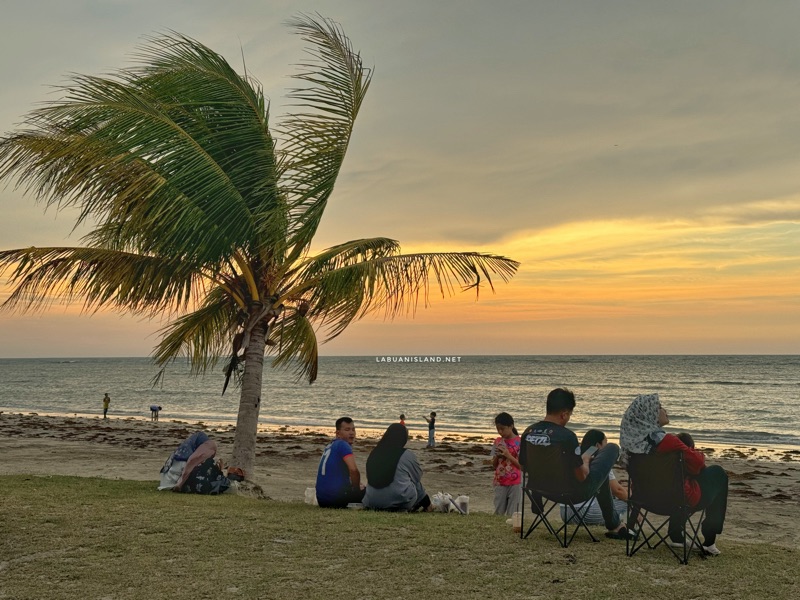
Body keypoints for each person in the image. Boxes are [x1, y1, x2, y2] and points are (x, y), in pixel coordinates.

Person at [620, 393, 728, 556]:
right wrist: (694, 453)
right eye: (660, 407)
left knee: (682, 476)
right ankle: (709, 541)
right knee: (718, 474)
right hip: (679, 500)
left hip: (646, 500)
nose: (664, 410)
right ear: (650, 414)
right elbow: (699, 464)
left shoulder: (631, 448)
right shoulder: (668, 441)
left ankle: (677, 534)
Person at [520, 388, 632, 539]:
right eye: (570, 415)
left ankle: (614, 525)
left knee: (602, 475)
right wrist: (585, 461)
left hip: (540, 489)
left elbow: (523, 466)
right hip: (572, 493)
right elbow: (581, 476)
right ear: (564, 413)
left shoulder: (528, 431)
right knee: (612, 448)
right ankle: (614, 525)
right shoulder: (567, 436)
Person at [559, 429, 628, 525]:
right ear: (597, 446)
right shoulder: (598, 463)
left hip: (565, 513)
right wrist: (634, 503)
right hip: (585, 514)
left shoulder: (574, 458)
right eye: (605, 444)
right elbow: (617, 490)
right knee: (628, 503)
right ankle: (620, 524)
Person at [363, 423, 431, 511]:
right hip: (399, 501)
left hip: (372, 501)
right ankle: (428, 506)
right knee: (416, 483)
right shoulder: (406, 454)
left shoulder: (374, 453)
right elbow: (417, 477)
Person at [315, 417, 365, 508]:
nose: (351, 433)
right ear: (338, 433)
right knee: (371, 493)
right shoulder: (343, 445)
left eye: (353, 429)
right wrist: (356, 489)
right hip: (336, 499)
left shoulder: (330, 445)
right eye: (347, 430)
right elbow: (354, 470)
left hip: (322, 499)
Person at [157, 431, 230, 494]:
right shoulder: (209, 446)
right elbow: (191, 462)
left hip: (166, 479)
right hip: (171, 482)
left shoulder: (183, 450)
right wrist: (180, 484)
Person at [492, 412, 522, 516]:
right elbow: (494, 465)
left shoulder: (519, 442)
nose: (500, 432)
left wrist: (508, 455)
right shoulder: (497, 441)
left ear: (511, 426)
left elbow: (521, 466)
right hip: (500, 480)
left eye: (503, 429)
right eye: (498, 429)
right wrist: (497, 456)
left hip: (515, 482)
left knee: (513, 513)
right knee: (498, 511)